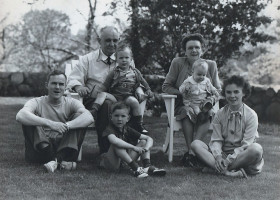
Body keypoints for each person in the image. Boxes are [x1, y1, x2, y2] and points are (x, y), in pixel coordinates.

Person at [66, 26, 145, 154]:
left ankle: (129, 149)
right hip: (94, 102)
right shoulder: (88, 59)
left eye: (115, 40)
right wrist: (79, 87)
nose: (112, 44)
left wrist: (140, 90)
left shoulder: (125, 59)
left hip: (121, 101)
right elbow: (73, 78)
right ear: (99, 40)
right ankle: (107, 151)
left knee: (124, 107)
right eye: (108, 40)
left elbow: (135, 79)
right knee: (107, 104)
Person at [16, 70, 94, 172]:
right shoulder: (36, 101)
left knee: (79, 116)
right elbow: (20, 115)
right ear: (46, 85)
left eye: (61, 84)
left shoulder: (71, 103)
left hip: (64, 148)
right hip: (40, 150)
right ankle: (60, 161)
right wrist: (51, 124)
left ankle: (54, 162)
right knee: (30, 117)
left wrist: (66, 125)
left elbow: (89, 117)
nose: (57, 87)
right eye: (54, 83)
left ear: (66, 87)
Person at [162, 33, 221, 167]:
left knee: (209, 112)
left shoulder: (210, 65)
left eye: (197, 47)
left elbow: (218, 90)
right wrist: (182, 93)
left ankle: (193, 153)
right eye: (190, 48)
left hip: (204, 105)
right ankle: (192, 151)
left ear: (202, 49)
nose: (194, 50)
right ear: (185, 50)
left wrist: (210, 100)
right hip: (184, 104)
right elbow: (166, 86)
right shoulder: (178, 63)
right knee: (187, 111)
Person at [191, 75, 264, 178]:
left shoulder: (251, 115)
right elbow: (216, 140)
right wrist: (218, 156)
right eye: (228, 92)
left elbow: (246, 145)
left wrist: (227, 161)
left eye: (236, 92)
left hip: (243, 156)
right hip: (223, 154)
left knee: (256, 149)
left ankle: (219, 169)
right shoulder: (220, 114)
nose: (232, 95)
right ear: (224, 94)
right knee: (195, 144)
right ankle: (229, 173)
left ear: (243, 93)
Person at [89, 44, 153, 133]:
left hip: (128, 97)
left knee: (134, 101)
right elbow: (105, 85)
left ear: (131, 59)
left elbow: (143, 82)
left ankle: (139, 124)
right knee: (102, 94)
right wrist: (99, 92)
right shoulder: (114, 72)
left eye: (126, 58)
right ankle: (93, 111)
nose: (124, 60)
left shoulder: (135, 72)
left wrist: (148, 89)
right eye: (121, 58)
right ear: (117, 59)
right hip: (115, 97)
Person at [99, 102, 166, 178]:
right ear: (111, 117)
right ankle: (136, 168)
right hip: (111, 163)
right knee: (117, 144)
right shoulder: (109, 129)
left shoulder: (127, 129)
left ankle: (147, 166)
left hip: (124, 162)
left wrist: (146, 149)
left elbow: (149, 138)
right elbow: (114, 141)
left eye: (123, 116)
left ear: (128, 118)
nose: (119, 119)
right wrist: (134, 147)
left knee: (144, 141)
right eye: (116, 116)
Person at [178, 59, 220, 123]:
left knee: (207, 106)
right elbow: (180, 89)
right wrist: (185, 88)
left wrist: (215, 92)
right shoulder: (188, 81)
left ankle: (206, 109)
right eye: (199, 74)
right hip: (192, 102)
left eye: (204, 75)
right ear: (193, 72)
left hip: (203, 101)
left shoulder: (206, 81)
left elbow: (212, 88)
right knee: (197, 110)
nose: (201, 77)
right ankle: (198, 117)